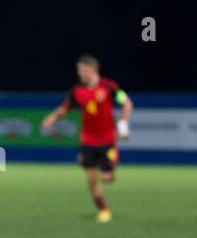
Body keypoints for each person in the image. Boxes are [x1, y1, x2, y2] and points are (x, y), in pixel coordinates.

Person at [41, 54, 132, 222]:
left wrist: (123, 124)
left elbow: (126, 103)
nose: (80, 74)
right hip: (87, 140)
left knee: (107, 178)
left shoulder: (108, 87)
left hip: (107, 140)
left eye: (82, 70)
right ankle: (103, 210)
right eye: (79, 70)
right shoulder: (77, 91)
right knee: (91, 180)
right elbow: (65, 107)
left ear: (93, 69)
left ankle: (108, 168)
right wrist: (52, 117)